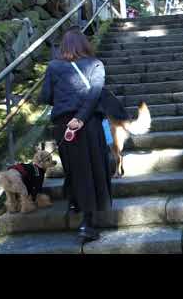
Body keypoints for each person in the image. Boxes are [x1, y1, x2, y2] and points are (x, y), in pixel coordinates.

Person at [39, 27, 111, 243]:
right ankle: (87, 223)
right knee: (93, 167)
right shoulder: (96, 64)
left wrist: (68, 109)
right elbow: (95, 92)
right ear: (85, 45)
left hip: (64, 124)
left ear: (63, 47)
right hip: (88, 123)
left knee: (74, 168)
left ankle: (75, 203)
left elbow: (46, 96)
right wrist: (80, 117)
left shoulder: (53, 66)